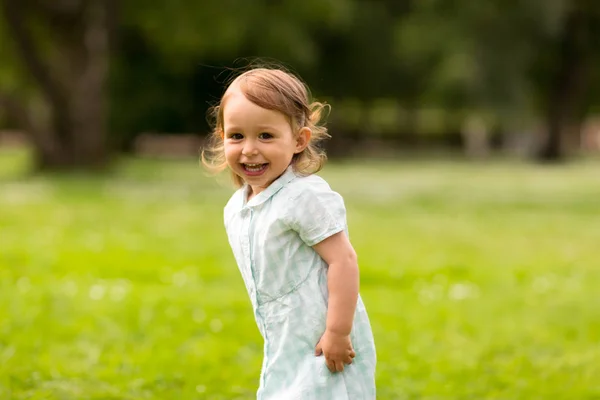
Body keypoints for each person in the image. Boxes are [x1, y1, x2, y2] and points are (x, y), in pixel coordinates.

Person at [202, 65, 376, 399]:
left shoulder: (303, 196)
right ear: (222, 138)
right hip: (284, 337)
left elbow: (344, 260)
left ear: (299, 140)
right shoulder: (239, 206)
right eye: (237, 136)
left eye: (265, 136)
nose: (250, 149)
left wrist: (338, 332)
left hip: (323, 337)